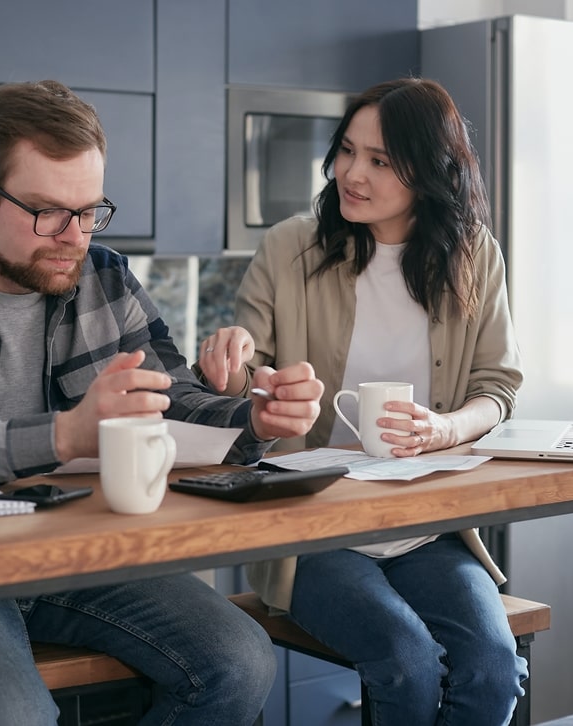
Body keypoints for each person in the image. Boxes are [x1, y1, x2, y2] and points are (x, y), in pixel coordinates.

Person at [0, 79, 326, 726]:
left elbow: (175, 403)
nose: (75, 236)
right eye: (49, 212)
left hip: (65, 553)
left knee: (241, 661)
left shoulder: (106, 276)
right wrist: (65, 435)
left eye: (89, 211)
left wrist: (256, 416)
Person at [195, 77, 528, 725]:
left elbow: (499, 389)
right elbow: (247, 376)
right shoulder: (292, 247)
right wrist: (229, 362)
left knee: (491, 668)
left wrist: (441, 429)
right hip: (315, 530)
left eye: (379, 161)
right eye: (347, 151)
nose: (351, 173)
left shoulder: (474, 257)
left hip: (427, 525)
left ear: (431, 172)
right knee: (405, 662)